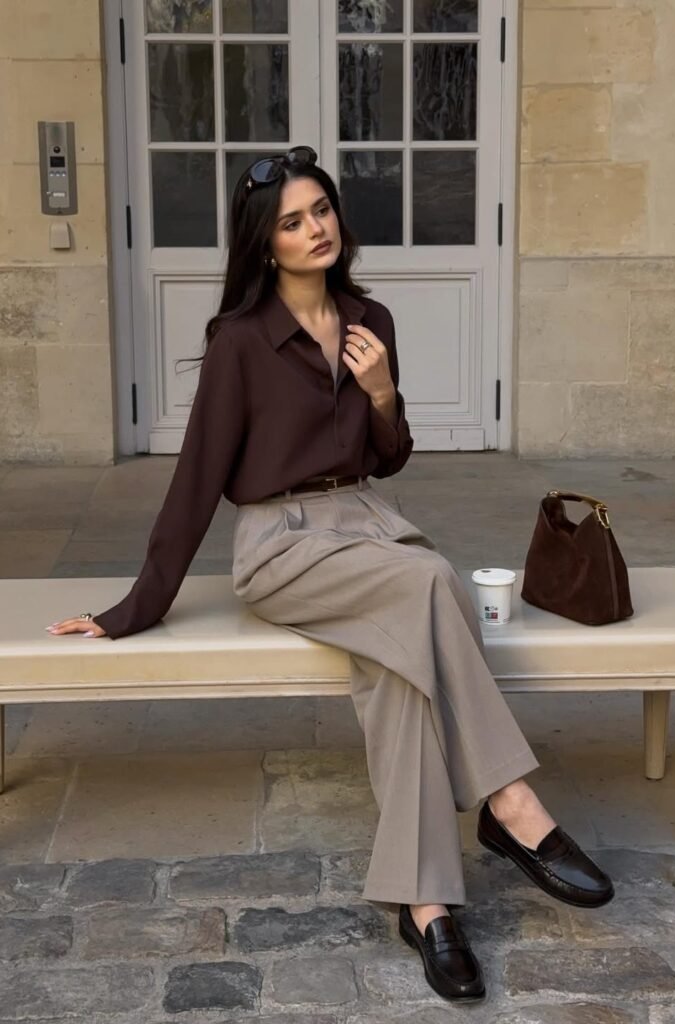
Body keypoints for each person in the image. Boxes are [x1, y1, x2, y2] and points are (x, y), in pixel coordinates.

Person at [46, 146, 614, 1003]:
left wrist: (382, 392)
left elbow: (388, 460)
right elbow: (197, 479)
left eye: (321, 211)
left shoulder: (368, 319)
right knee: (431, 586)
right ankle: (511, 804)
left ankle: (425, 905)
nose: (314, 229)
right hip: (283, 546)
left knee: (400, 674)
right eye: (291, 221)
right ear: (263, 243)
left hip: (366, 524)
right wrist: (134, 607)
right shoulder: (240, 341)